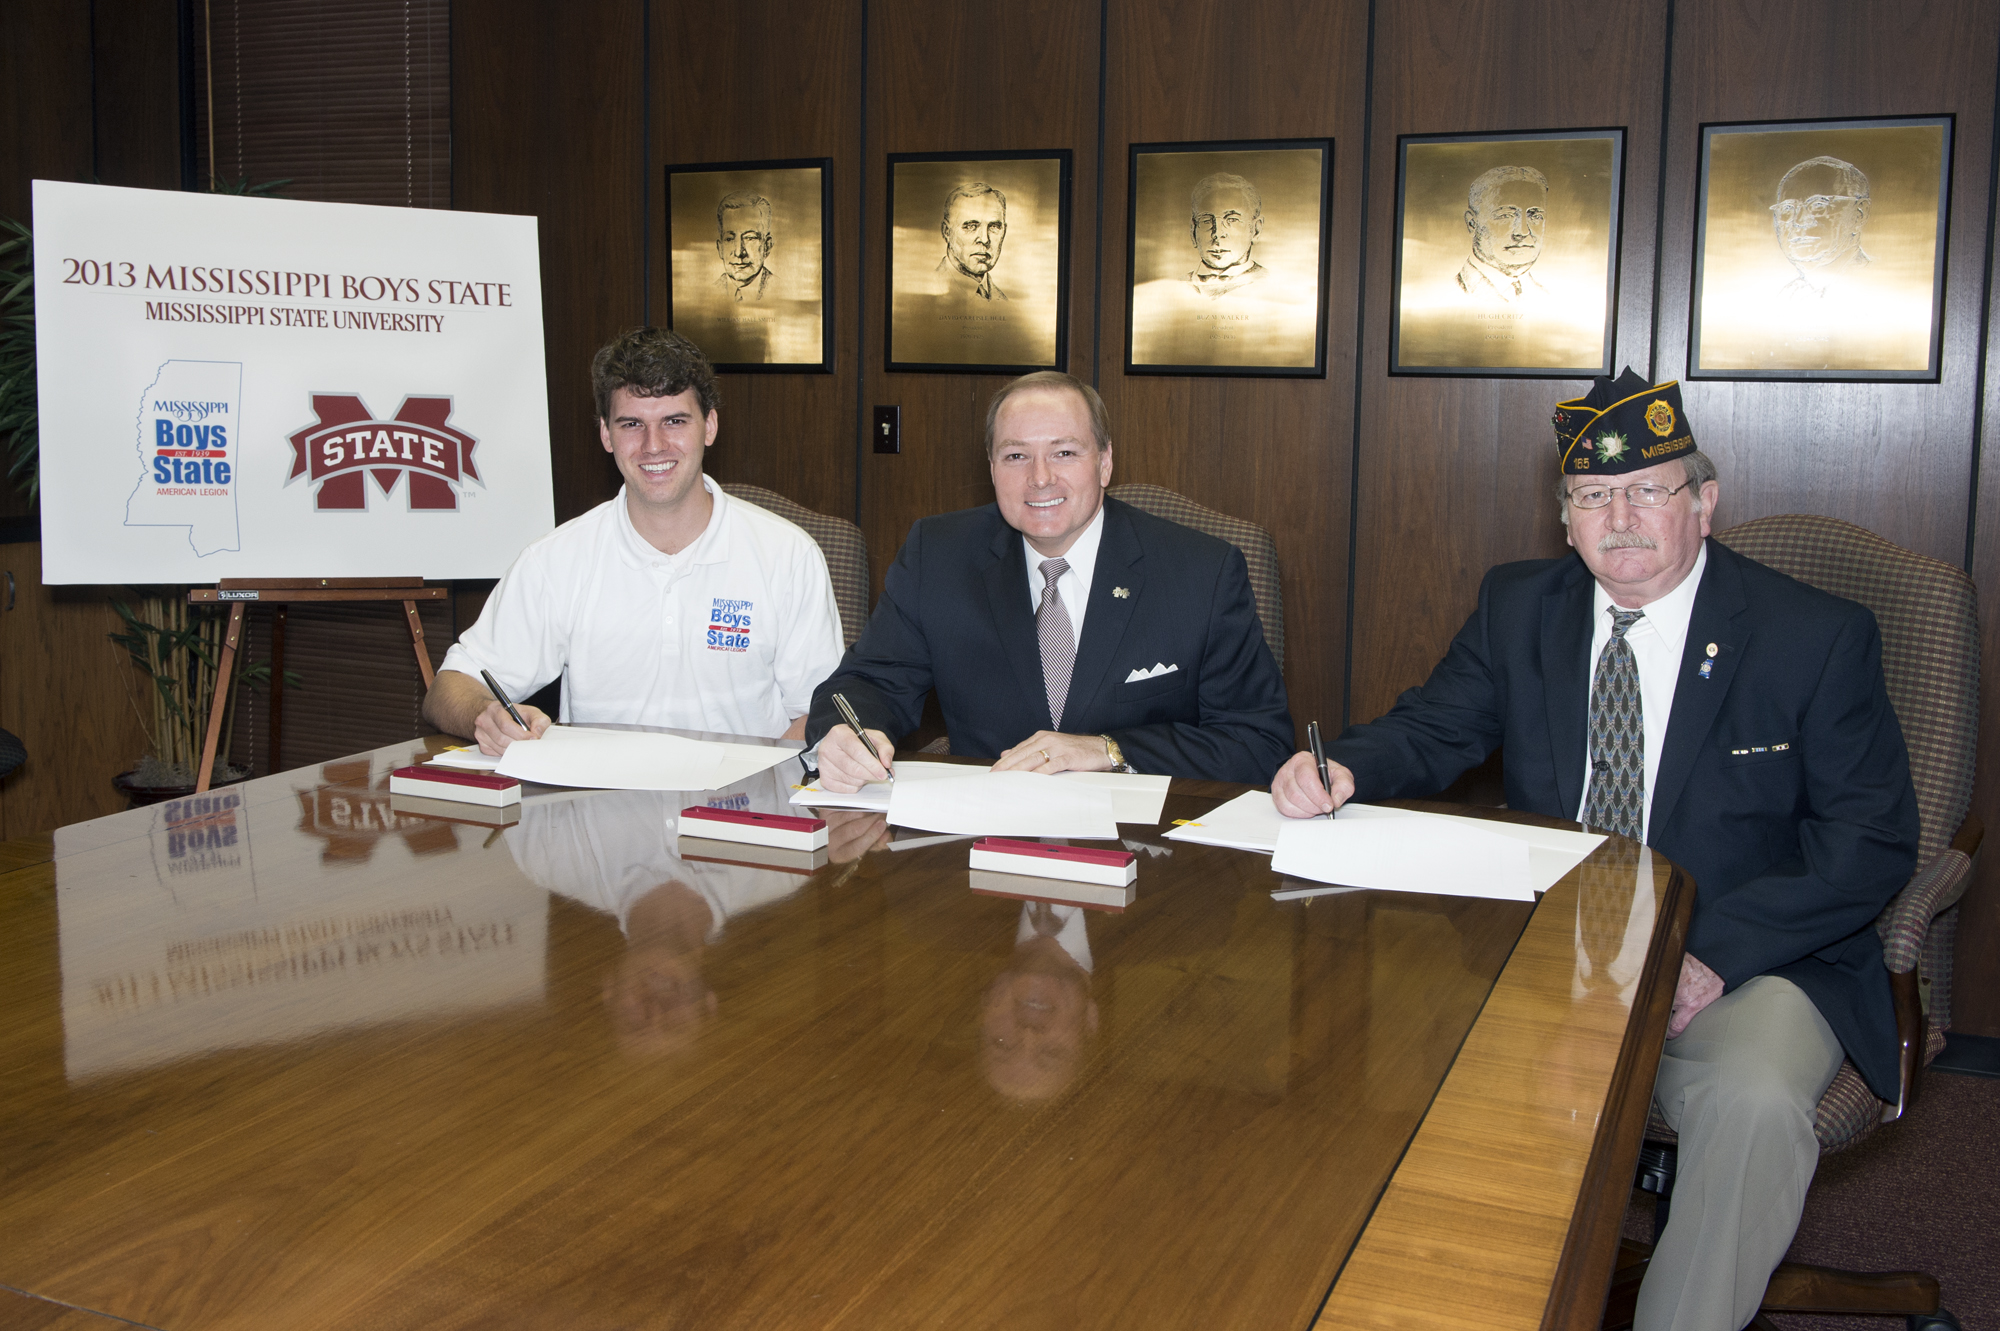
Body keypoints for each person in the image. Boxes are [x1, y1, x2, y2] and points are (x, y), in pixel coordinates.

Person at [1270, 369, 1919, 1331]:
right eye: (1592, 495)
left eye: (1649, 489)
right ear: (1564, 518)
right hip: (1551, 942)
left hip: (1746, 957)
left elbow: (1869, 841)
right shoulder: (1520, 606)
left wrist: (1705, 956)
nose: (1620, 516)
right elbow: (1439, 726)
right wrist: (1343, 769)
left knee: (1748, 1103)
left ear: (1704, 502)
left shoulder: (1811, 637)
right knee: (1378, 1045)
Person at [808, 371, 1292, 790]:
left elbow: (1259, 742)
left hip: (1147, 849)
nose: (1040, 479)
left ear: (1104, 462)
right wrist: (850, 734)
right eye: (1016, 456)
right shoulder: (938, 555)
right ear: (992, 468)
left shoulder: (1199, 572)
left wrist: (1110, 750)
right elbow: (866, 684)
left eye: (1063, 452)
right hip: (986, 842)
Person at [423, 328, 843, 753]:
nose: (653, 445)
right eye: (631, 424)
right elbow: (449, 688)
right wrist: (486, 716)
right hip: (598, 807)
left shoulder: (788, 555)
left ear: (709, 426)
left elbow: (821, 712)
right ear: (606, 434)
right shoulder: (556, 560)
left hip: (735, 809)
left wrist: (747, 787)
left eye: (674, 421)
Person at [1770, 155, 1871, 301]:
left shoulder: (1876, 290)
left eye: (1818, 205)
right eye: (1787, 208)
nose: (1799, 222)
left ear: (1859, 214)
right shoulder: (1787, 296)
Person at [1457, 164, 1550, 302]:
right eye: (1506, 215)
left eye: (1535, 216)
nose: (1523, 232)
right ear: (1472, 224)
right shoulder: (1453, 292)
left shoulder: (1547, 297)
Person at [1185, 172, 1268, 299]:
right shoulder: (1176, 286)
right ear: (1193, 231)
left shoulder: (1271, 284)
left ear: (1256, 230)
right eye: (1206, 220)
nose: (1217, 234)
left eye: (1232, 220)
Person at [937, 181, 1009, 301]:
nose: (985, 239)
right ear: (947, 232)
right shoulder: (929, 288)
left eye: (994, 227)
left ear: (1004, 231)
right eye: (971, 226)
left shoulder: (1004, 301)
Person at [713, 191, 776, 302]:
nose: (739, 252)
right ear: (720, 248)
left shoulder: (781, 290)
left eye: (749, 238)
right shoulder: (710, 292)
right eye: (729, 239)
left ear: (767, 246)